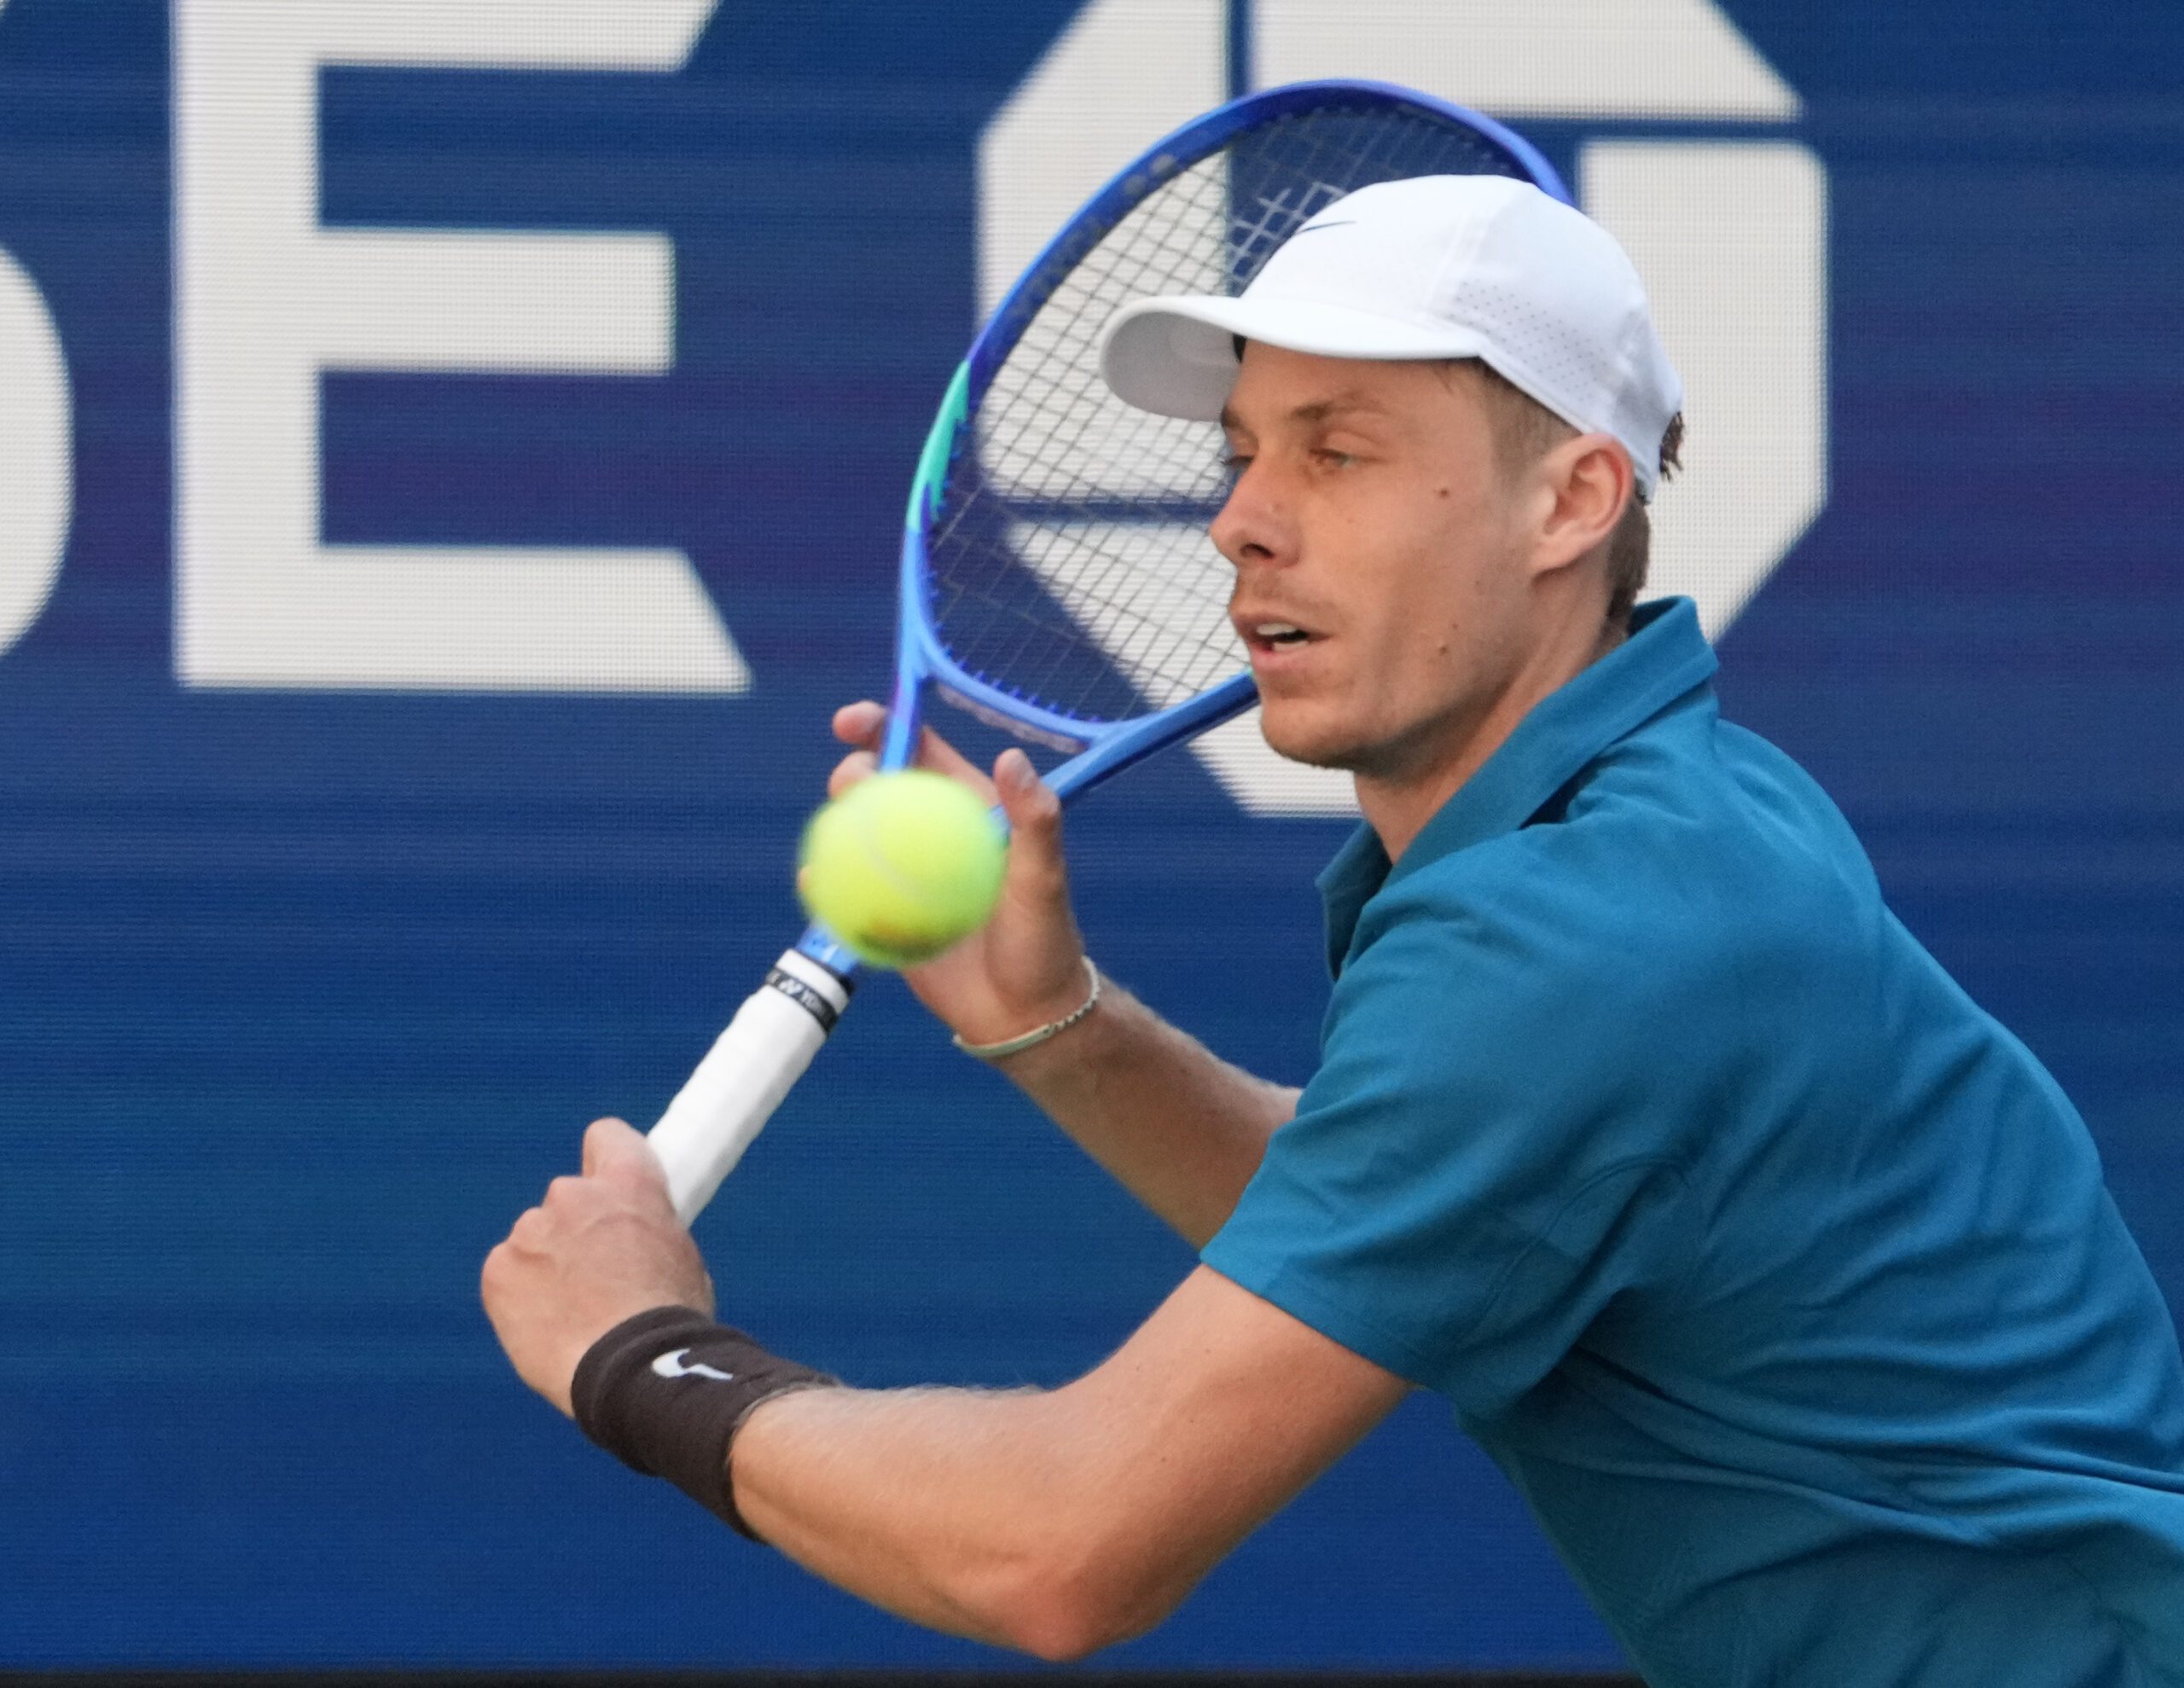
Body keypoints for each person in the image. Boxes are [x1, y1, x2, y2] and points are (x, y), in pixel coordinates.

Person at [481, 176, 2184, 1685]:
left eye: (1337, 452)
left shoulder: (1578, 940)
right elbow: (1425, 1215)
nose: (1240, 517)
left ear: (1570, 502)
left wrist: (644, 1355)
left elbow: (1060, 1552)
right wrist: (1051, 1022)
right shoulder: (1673, 815)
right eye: (1240, 452)